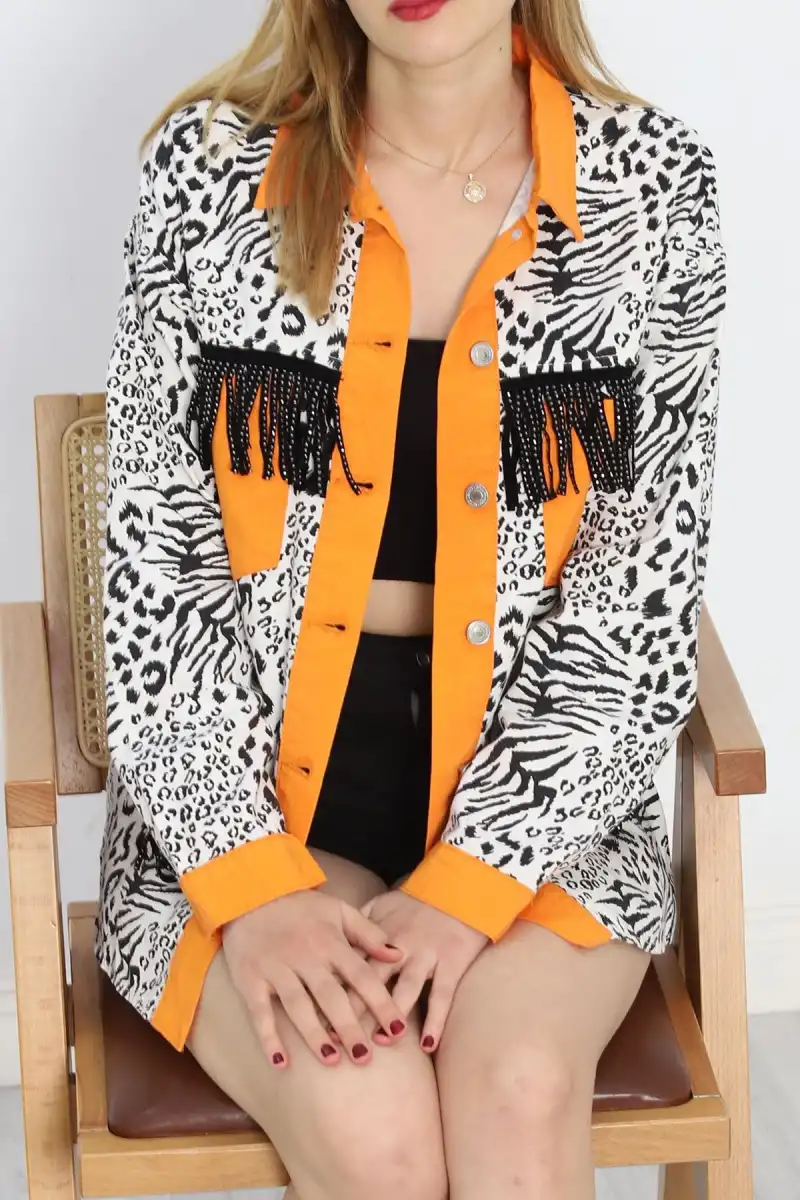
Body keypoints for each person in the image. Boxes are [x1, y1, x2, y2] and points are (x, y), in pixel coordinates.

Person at [98, 1, 726, 1197]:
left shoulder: (650, 188)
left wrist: (474, 880)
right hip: (241, 801)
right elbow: (155, 577)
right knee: (374, 1128)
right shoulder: (208, 174)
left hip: (546, 806)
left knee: (516, 1093)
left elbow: (635, 606)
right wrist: (252, 888)